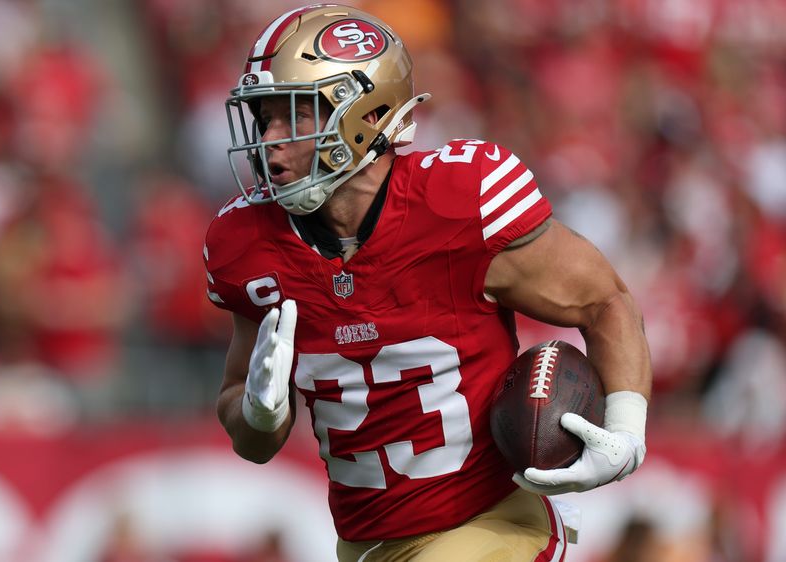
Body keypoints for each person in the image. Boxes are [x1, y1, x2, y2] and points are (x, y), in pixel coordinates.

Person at [204, 5, 652, 561]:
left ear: (363, 115)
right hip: (366, 546)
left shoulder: (460, 202)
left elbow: (604, 300)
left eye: (291, 116)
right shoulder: (247, 244)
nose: (269, 142)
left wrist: (628, 429)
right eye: (262, 118)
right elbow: (251, 438)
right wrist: (258, 413)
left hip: (494, 523)